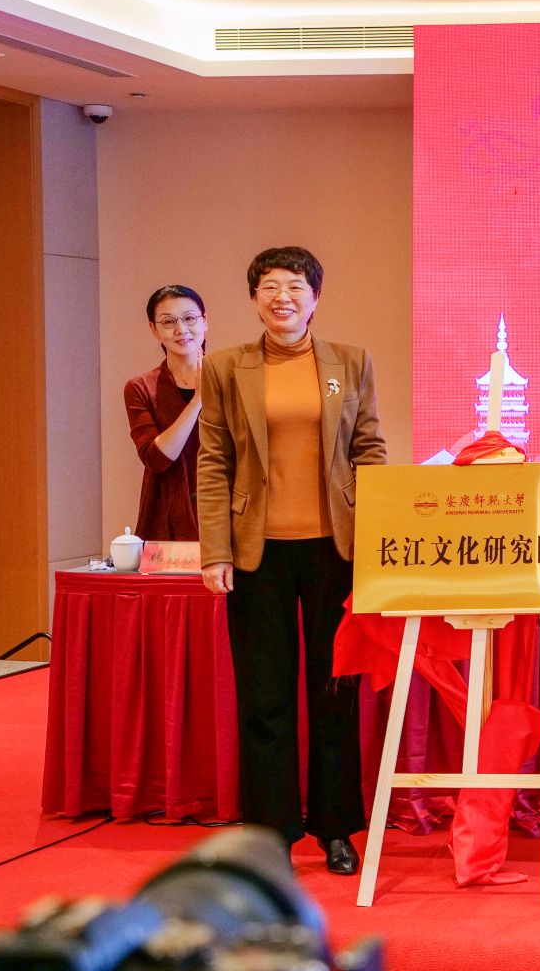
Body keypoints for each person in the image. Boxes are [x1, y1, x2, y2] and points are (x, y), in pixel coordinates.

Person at [197, 247, 385, 875]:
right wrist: (215, 550)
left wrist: (377, 539)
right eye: (270, 287)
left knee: (335, 694)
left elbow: (369, 450)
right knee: (264, 697)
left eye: (296, 286)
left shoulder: (350, 362)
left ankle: (336, 829)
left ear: (315, 297)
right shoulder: (226, 366)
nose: (283, 297)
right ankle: (271, 832)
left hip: (336, 551)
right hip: (257, 553)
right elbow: (214, 460)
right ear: (255, 298)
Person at [124, 284, 207, 541]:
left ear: (205, 322)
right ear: (154, 329)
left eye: (189, 318)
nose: (181, 329)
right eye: (168, 322)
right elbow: (156, 459)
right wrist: (198, 400)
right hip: (166, 513)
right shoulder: (141, 387)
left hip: (222, 510)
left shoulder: (231, 379)